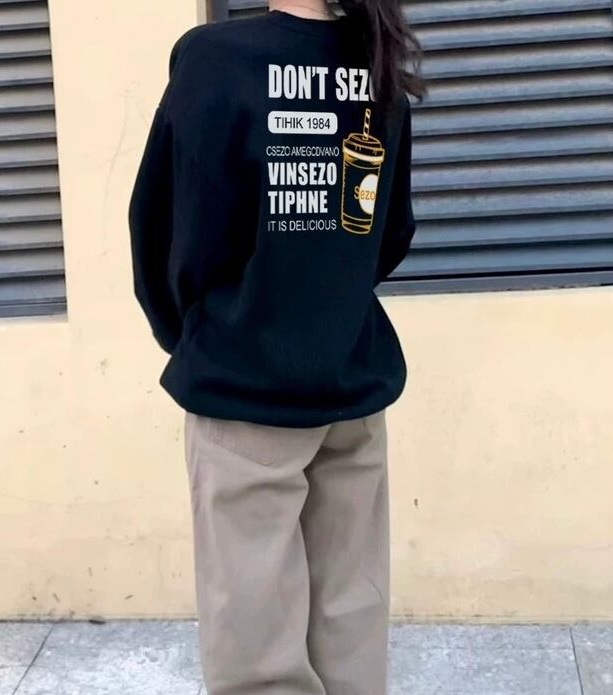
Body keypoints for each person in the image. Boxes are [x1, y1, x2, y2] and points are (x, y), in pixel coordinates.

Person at [129, 0, 425, 692]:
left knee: (255, 642)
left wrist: (198, 335)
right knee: (352, 619)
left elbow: (166, 227)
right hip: (350, 380)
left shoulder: (214, 59)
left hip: (244, 386)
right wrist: (326, 296)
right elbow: (390, 232)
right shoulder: (376, 61)